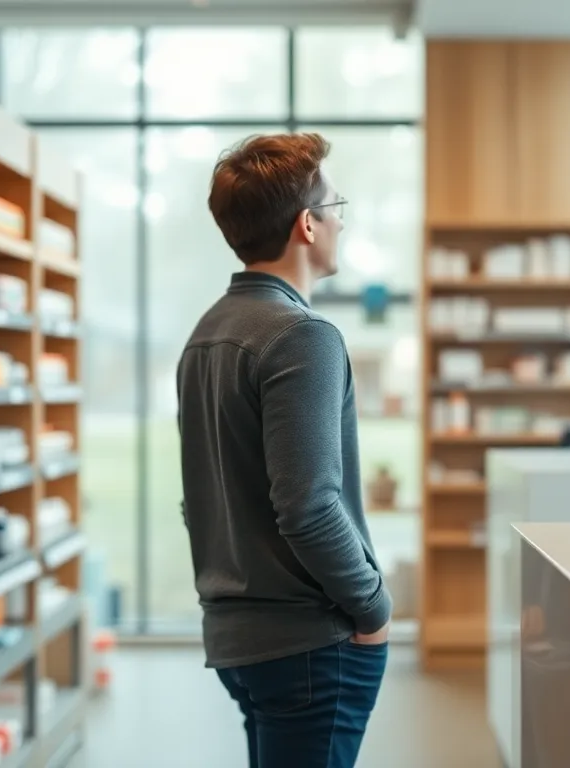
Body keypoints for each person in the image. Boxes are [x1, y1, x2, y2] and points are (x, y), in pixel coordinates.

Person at [176, 133, 392, 768]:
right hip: (309, 643)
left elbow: (202, 501)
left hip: (239, 640)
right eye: (336, 205)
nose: (341, 221)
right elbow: (308, 507)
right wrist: (374, 606)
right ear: (307, 224)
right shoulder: (302, 336)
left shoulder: (208, 333)